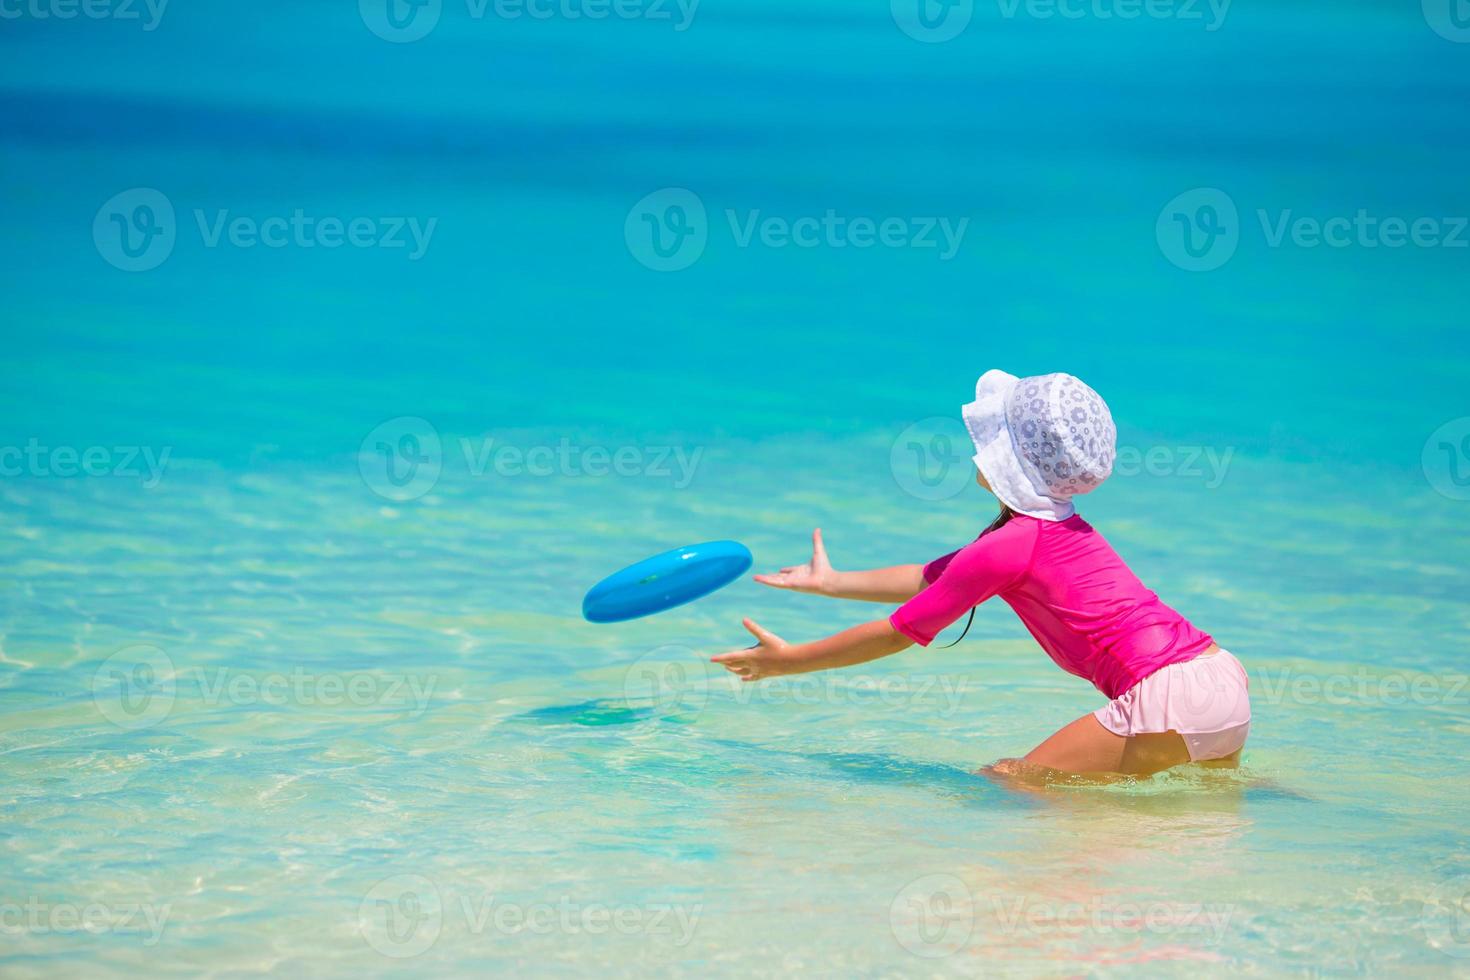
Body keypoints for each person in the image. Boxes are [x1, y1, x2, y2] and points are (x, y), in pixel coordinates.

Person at [711, 370, 1250, 781]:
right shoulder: (1054, 532)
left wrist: (788, 663)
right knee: (1193, 815)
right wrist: (831, 582)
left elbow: (900, 631)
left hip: (1168, 693)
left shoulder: (1011, 545)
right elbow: (930, 578)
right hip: (1219, 676)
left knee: (1012, 781)